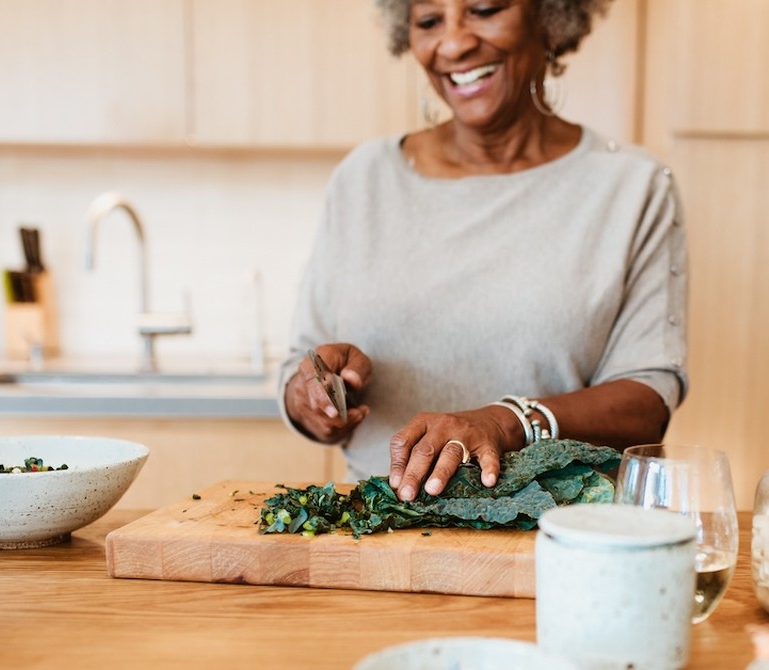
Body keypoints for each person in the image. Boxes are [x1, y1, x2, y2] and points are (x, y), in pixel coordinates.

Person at [279, 0, 688, 503]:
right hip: (380, 531)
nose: (452, 43)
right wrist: (314, 398)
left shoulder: (631, 188)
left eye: (484, 9)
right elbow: (301, 366)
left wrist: (509, 421)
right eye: (429, 21)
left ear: (550, 17)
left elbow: (647, 401)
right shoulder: (364, 179)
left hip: (559, 533)